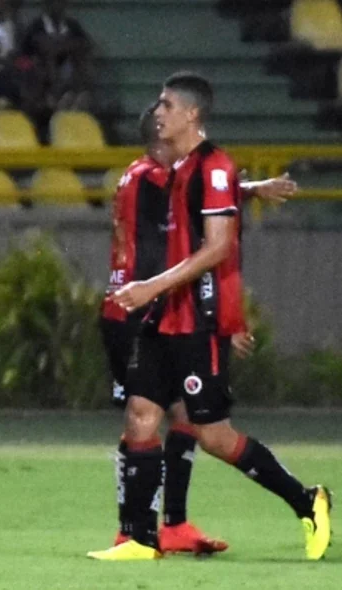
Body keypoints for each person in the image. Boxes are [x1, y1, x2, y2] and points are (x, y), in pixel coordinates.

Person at [90, 72, 332, 561]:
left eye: (165, 105)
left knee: (213, 435)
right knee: (143, 415)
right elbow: (208, 197)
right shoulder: (166, 174)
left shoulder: (206, 167)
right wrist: (250, 188)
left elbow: (218, 238)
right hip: (152, 316)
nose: (157, 112)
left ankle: (307, 500)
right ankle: (139, 537)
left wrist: (202, 305)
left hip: (185, 318)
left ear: (189, 114)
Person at [19, 0, 93, 112]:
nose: (58, 5)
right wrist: (64, 44)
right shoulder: (36, 26)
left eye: (61, 2)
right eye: (54, 2)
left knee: (79, 57)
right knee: (49, 57)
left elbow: (84, 44)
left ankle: (77, 97)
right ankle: (55, 100)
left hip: (67, 70)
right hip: (42, 76)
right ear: (47, 5)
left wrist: (61, 45)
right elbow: (33, 49)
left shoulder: (72, 25)